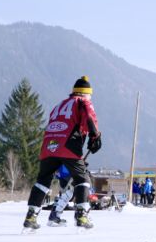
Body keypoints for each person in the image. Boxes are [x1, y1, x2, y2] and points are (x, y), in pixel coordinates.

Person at [22, 76, 102, 232]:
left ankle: (31, 216)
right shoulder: (82, 102)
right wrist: (95, 136)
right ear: (85, 93)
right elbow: (89, 118)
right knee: (82, 179)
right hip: (68, 144)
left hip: (49, 145)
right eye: (90, 95)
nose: (90, 98)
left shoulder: (60, 104)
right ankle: (81, 215)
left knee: (43, 180)